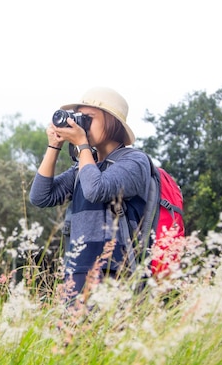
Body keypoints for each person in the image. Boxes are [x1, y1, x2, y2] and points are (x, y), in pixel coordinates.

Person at [29, 87, 152, 299]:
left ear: (112, 122)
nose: (81, 125)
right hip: (76, 269)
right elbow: (40, 197)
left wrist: (82, 144)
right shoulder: (84, 167)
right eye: (80, 118)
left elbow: (96, 189)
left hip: (115, 272)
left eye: (89, 118)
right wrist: (54, 146)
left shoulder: (134, 160)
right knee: (72, 333)